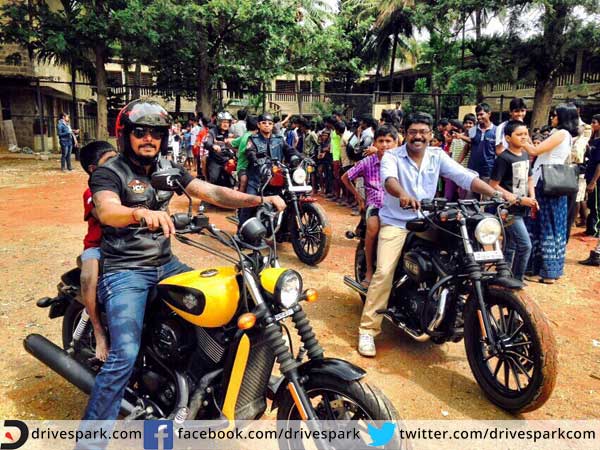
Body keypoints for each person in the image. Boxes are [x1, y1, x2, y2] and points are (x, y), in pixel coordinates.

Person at [82, 100, 285, 421]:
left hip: (166, 264)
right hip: (125, 269)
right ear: (125, 135)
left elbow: (212, 192)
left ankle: (196, 388)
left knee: (223, 309)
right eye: (140, 132)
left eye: (156, 133)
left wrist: (259, 199)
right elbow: (107, 209)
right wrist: (138, 213)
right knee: (123, 355)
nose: (148, 139)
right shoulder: (109, 172)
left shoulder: (168, 169)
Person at [357, 112, 508, 357]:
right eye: (413, 132)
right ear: (405, 134)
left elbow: (464, 177)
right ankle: (368, 330)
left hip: (428, 220)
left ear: (430, 134)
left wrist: (495, 194)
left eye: (423, 132)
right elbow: (389, 180)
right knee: (384, 272)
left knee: (460, 254)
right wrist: (402, 194)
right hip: (397, 222)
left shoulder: (437, 156)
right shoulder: (393, 156)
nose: (418, 136)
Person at [522, 103, 579, 284]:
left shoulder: (561, 134)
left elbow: (535, 151)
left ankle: (546, 273)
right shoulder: (565, 135)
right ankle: (550, 270)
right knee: (552, 225)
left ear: (562, 117)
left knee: (545, 225)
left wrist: (520, 137)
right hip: (553, 184)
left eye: (555, 115)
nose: (552, 118)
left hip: (546, 183)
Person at [342, 126, 398, 288]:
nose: (385, 145)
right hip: (375, 205)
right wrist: (358, 197)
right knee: (373, 228)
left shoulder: (400, 162)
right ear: (375, 143)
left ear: (396, 143)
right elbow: (345, 177)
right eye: (381, 141)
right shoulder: (367, 161)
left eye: (389, 141)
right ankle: (368, 270)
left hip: (396, 206)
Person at [78, 141, 117, 362]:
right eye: (109, 160)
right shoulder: (91, 191)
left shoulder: (127, 182)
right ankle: (98, 330)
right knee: (88, 277)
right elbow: (104, 213)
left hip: (126, 246)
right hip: (98, 247)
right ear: (94, 169)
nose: (116, 163)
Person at [489, 120, 537, 281]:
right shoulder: (503, 158)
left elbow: (530, 178)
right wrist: (518, 199)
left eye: (526, 134)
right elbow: (493, 185)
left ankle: (504, 276)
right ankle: (517, 279)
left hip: (522, 207)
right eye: (519, 134)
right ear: (508, 138)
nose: (524, 137)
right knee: (525, 245)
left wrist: (532, 197)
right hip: (507, 210)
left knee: (510, 244)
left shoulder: (525, 154)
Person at [239, 113, 302, 226]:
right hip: (257, 178)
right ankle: (242, 229)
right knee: (249, 202)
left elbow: (289, 150)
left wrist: (300, 157)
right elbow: (250, 152)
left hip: (276, 176)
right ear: (258, 125)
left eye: (270, 123)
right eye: (264, 123)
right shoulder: (253, 139)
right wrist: (256, 160)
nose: (267, 125)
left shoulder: (279, 139)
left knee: (289, 197)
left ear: (273, 125)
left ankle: (288, 228)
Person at [466, 103, 497, 187]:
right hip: (472, 170)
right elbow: (467, 148)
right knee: (471, 194)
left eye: (481, 114)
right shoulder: (472, 130)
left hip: (488, 171)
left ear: (489, 114)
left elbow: (498, 151)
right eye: (477, 115)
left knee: (486, 194)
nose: (479, 117)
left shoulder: (496, 131)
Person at [205, 112, 235, 187]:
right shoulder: (212, 132)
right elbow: (207, 143)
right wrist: (213, 146)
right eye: (224, 122)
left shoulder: (231, 133)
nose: (226, 124)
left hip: (227, 160)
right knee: (214, 180)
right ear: (219, 122)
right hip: (215, 160)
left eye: (227, 122)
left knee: (231, 182)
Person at [231, 115, 258, 194]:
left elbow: (231, 143)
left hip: (244, 166)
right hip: (245, 167)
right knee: (244, 182)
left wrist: (236, 150)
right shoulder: (252, 137)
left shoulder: (245, 135)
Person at [585, 114, 600, 237]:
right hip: (589, 175)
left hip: (596, 179)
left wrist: (593, 181)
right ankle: (591, 228)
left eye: (594, 122)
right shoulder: (592, 140)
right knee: (591, 203)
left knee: (596, 205)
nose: (591, 125)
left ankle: (596, 230)